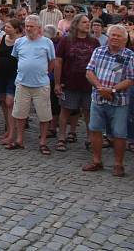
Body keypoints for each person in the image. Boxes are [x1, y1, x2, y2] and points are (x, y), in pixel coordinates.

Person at [83, 24, 134, 177]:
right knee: (95, 129)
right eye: (113, 35)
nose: (115, 38)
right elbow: (89, 72)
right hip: (98, 98)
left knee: (119, 133)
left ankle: (118, 164)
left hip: (119, 101)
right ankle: (97, 161)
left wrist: (111, 90)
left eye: (119, 36)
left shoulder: (129, 55)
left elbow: (131, 79)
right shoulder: (98, 51)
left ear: (125, 39)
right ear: (108, 37)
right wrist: (100, 88)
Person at [7, 15, 56, 155]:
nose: (28, 29)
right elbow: (16, 57)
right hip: (22, 83)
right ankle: (19, 140)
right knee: (20, 114)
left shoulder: (47, 43)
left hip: (41, 84)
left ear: (39, 28)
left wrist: (44, 72)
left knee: (44, 115)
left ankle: (43, 142)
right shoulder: (19, 42)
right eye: (26, 26)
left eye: (31, 26)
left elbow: (52, 61)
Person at [53, 14, 98, 152]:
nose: (87, 24)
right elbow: (59, 62)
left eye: (88, 22)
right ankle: (61, 137)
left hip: (88, 84)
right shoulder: (66, 41)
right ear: (76, 24)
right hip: (69, 82)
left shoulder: (94, 42)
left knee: (88, 112)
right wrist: (57, 82)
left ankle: (90, 138)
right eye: (84, 22)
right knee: (65, 110)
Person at [0, 19, 22, 145]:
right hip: (1, 74)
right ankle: (9, 128)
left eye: (9, 27)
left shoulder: (20, 41)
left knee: (10, 102)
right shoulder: (2, 39)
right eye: (6, 27)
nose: (6, 29)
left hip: (14, 74)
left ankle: (12, 133)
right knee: (4, 102)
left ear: (16, 29)